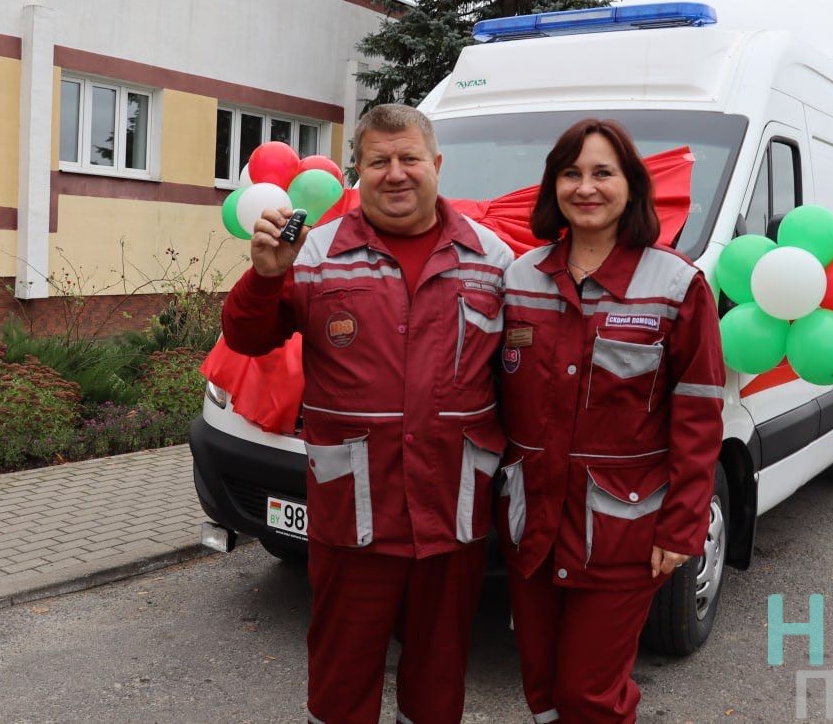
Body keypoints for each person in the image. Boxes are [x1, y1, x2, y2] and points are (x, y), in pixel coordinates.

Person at [221, 104, 514, 724]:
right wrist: (264, 278)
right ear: (357, 170)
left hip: (452, 512)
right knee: (342, 677)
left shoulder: (492, 258)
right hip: (353, 511)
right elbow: (249, 338)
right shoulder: (314, 252)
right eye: (379, 161)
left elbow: (521, 375)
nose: (396, 173)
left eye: (410, 158)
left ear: (437, 164)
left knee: (438, 680)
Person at [496, 118, 725, 723]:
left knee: (588, 696)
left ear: (632, 186)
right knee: (542, 688)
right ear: (553, 185)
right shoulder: (518, 278)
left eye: (603, 172)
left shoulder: (676, 285)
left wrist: (682, 527)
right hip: (531, 521)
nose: (586, 187)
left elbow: (699, 416)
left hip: (622, 529)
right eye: (571, 173)